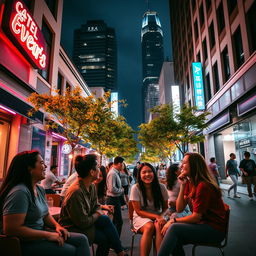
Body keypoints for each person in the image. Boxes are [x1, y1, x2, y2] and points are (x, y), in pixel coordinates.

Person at [0, 150, 90, 256]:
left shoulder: (39, 189)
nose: (46, 166)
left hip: (40, 235)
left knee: (82, 239)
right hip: (24, 243)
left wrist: (57, 226)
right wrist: (47, 235)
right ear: (29, 168)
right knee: (72, 250)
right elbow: (12, 229)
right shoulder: (20, 192)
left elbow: (46, 215)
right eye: (42, 163)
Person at [158, 153, 227, 256]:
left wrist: (173, 220)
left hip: (214, 230)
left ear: (194, 165)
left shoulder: (202, 186)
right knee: (170, 231)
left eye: (184, 163)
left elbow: (196, 217)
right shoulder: (191, 183)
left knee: (173, 228)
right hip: (202, 225)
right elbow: (179, 208)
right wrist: (183, 186)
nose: (181, 166)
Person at [59, 154, 127, 256]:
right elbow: (82, 222)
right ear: (91, 172)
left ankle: (120, 252)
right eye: (97, 168)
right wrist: (99, 213)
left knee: (105, 220)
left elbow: (95, 205)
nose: (99, 170)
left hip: (86, 222)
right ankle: (121, 252)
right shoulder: (76, 192)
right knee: (106, 238)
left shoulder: (91, 186)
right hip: (73, 228)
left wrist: (101, 208)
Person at [129, 163, 168, 255]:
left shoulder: (162, 187)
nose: (147, 174)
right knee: (149, 226)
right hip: (140, 216)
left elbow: (166, 208)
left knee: (159, 225)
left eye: (150, 171)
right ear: (140, 175)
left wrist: (160, 216)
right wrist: (157, 216)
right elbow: (138, 211)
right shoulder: (135, 188)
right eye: (144, 172)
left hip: (158, 215)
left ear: (154, 173)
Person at [106, 156, 125, 237]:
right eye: (123, 164)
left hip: (115, 199)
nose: (123, 166)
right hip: (113, 199)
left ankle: (114, 244)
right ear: (119, 164)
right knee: (119, 222)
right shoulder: (112, 173)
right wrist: (121, 190)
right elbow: (111, 188)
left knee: (115, 222)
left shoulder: (115, 172)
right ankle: (116, 245)